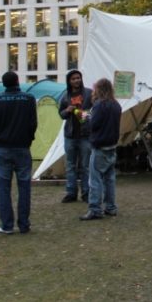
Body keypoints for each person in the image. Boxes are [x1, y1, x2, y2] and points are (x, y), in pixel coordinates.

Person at [0, 71, 38, 234]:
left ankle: (7, 225)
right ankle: (24, 224)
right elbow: (33, 123)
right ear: (18, 81)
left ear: (4, 83)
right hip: (23, 147)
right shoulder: (28, 99)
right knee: (24, 187)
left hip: (4, 148)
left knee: (3, 187)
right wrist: (28, 139)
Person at [80, 78, 122, 221]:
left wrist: (87, 117)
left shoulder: (99, 105)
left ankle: (95, 209)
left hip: (100, 146)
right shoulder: (116, 105)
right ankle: (111, 207)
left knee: (95, 179)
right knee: (109, 179)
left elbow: (94, 124)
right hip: (112, 146)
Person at [58, 69, 93, 203]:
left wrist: (84, 114)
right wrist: (67, 110)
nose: (76, 80)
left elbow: (95, 111)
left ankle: (86, 193)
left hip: (85, 135)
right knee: (71, 165)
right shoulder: (65, 95)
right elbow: (60, 114)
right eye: (73, 79)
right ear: (69, 81)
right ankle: (71, 192)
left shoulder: (89, 93)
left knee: (85, 166)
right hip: (70, 135)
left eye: (78, 78)